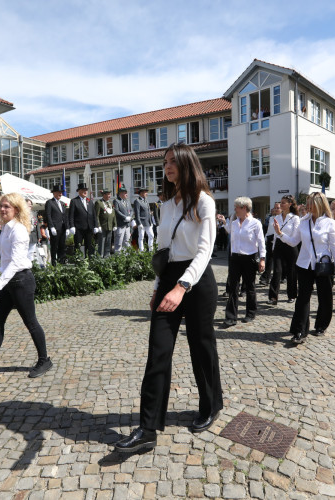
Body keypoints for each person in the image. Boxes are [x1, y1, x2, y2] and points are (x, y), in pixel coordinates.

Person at [115, 143, 222, 452]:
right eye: (165, 162)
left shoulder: (204, 202)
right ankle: (148, 428)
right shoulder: (167, 203)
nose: (167, 166)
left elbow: (205, 251)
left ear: (188, 163)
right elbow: (164, 252)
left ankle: (212, 403)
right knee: (158, 351)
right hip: (169, 279)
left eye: (173, 161)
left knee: (201, 347)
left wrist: (182, 286)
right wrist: (158, 287)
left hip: (197, 282)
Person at [0, 192, 53, 380]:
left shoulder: (19, 230)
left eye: (7, 206)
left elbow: (15, 263)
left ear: (16, 209)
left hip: (21, 281)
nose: (3, 209)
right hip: (8, 281)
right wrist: (0, 283)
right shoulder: (5, 228)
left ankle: (44, 360)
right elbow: (5, 262)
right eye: (1, 206)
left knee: (30, 322)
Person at [274, 192, 335, 344]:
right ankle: (299, 331)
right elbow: (293, 242)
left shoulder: (329, 223)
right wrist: (280, 234)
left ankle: (321, 325)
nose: (307, 206)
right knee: (303, 298)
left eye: (310, 203)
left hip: (322, 264)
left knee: (324, 297)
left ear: (319, 204)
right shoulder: (303, 221)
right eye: (307, 203)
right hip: (304, 264)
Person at [223, 197, 265, 327]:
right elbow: (230, 233)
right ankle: (231, 316)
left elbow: (261, 242)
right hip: (235, 258)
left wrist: (262, 259)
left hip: (249, 258)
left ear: (244, 208)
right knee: (233, 287)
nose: (234, 209)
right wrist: (224, 223)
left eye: (236, 207)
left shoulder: (255, 223)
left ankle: (250, 313)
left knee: (250, 286)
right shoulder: (234, 222)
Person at [268, 195, 299, 306]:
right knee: (277, 271)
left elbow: (295, 237)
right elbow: (276, 236)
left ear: (290, 204)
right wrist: (273, 248)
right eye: (281, 202)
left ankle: (292, 295)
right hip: (279, 246)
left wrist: (281, 234)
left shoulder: (295, 218)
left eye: (283, 202)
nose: (281, 204)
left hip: (291, 246)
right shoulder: (278, 217)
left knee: (291, 272)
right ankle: (273, 296)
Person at [68, 183, 97, 257]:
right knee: (78, 246)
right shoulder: (74, 201)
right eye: (83, 190)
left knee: (89, 246)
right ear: (79, 191)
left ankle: (89, 261)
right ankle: (78, 262)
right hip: (78, 228)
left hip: (89, 228)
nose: (85, 192)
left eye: (86, 190)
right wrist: (72, 226)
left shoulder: (89, 201)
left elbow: (94, 215)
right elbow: (71, 215)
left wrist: (96, 225)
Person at [44, 184, 68, 265]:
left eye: (61, 192)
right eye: (58, 192)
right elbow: (48, 215)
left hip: (62, 228)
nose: (60, 194)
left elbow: (65, 216)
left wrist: (67, 227)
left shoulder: (62, 203)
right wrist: (51, 227)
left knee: (62, 245)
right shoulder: (50, 202)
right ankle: (54, 263)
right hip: (55, 228)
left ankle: (61, 262)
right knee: (54, 246)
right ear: (54, 193)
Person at [95, 188, 116, 257]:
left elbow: (113, 215)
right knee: (102, 243)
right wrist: (98, 226)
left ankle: (107, 256)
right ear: (104, 195)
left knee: (108, 242)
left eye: (110, 194)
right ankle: (100, 256)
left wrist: (115, 224)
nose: (109, 196)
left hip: (109, 226)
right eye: (108, 194)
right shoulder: (99, 202)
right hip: (102, 226)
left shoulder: (110, 203)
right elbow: (96, 215)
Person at [113, 185, 133, 253]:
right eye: (125, 193)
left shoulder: (127, 201)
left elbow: (131, 210)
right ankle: (118, 256)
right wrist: (125, 217)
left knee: (126, 241)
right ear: (121, 193)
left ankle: (126, 256)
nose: (126, 194)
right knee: (119, 242)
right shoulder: (116, 201)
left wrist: (130, 216)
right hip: (120, 225)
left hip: (127, 225)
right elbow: (117, 211)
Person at [133, 187, 155, 251]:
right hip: (142, 222)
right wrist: (139, 223)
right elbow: (137, 213)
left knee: (151, 235)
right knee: (141, 237)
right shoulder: (137, 201)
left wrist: (151, 222)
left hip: (148, 222)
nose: (146, 194)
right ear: (141, 193)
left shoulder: (146, 200)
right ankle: (141, 251)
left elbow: (148, 212)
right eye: (145, 192)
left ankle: (151, 249)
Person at [27, 199, 41, 265]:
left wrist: (39, 236)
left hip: (33, 236)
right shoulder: (21, 215)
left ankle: (31, 266)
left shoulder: (33, 214)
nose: (30, 207)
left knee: (32, 252)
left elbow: (37, 225)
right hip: (25, 236)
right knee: (26, 253)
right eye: (28, 205)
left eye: (31, 205)